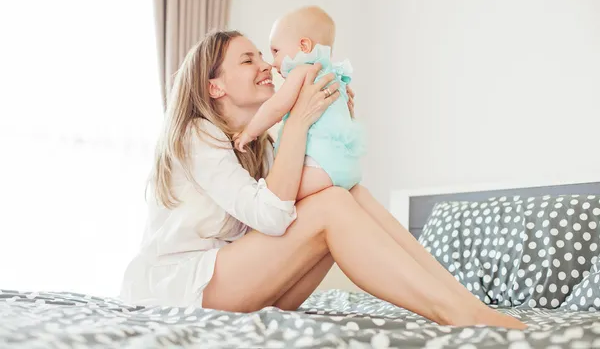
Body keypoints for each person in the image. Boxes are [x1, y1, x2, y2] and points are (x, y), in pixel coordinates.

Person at [120, 28, 526, 329]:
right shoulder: (198, 135)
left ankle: (465, 302)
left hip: (236, 282)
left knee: (349, 192)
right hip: (181, 286)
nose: (265, 65)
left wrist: (331, 118)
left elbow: (326, 179)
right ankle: (452, 312)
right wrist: (298, 120)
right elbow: (273, 216)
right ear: (214, 86)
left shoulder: (257, 144)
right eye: (248, 60)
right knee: (331, 205)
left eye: (262, 55)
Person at [234, 6, 362, 200]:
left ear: (304, 46)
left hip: (320, 164)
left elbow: (275, 107)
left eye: (276, 51)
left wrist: (249, 132)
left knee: (272, 199)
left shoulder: (303, 72)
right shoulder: (333, 76)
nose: (273, 62)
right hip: (346, 164)